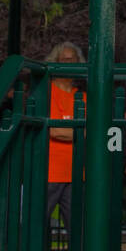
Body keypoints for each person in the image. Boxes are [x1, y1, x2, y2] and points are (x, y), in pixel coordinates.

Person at [46, 41, 86, 235]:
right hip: (50, 172)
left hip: (78, 172)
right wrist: (84, 132)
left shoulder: (84, 96)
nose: (70, 63)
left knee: (78, 229)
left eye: (74, 59)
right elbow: (53, 130)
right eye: (65, 59)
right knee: (35, 227)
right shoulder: (47, 91)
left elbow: (97, 129)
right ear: (56, 62)